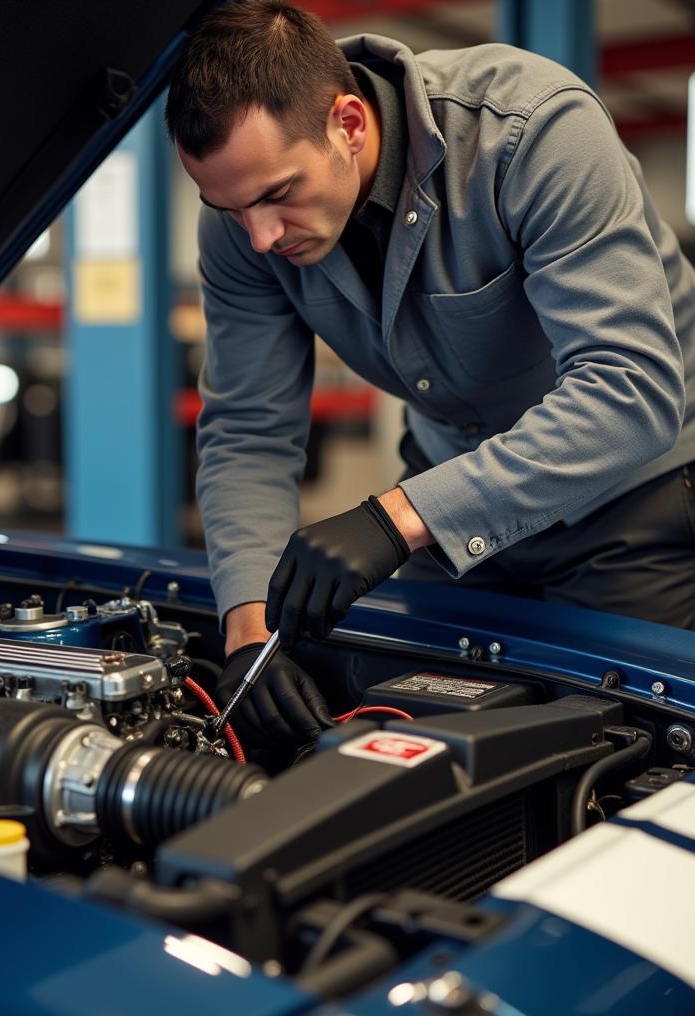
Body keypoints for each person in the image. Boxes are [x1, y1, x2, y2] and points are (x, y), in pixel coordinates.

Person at [164, 0, 695, 754]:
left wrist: (395, 519)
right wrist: (249, 634)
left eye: (278, 194)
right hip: (456, 514)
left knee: (614, 756)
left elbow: (631, 390)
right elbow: (249, 427)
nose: (260, 235)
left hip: (626, 505)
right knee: (417, 740)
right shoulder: (240, 228)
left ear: (348, 123)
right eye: (231, 207)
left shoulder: (532, 130)